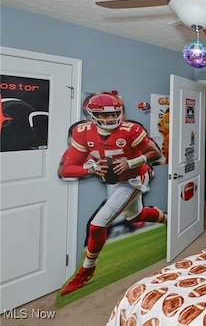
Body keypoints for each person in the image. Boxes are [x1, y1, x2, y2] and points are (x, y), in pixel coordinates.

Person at [58, 91, 166, 295]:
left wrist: (130, 163)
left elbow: (155, 152)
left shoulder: (130, 130)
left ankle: (86, 271)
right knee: (135, 215)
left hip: (133, 179)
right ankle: (167, 219)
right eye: (104, 115)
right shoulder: (82, 133)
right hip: (113, 181)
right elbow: (65, 169)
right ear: (91, 115)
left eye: (113, 113)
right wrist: (89, 169)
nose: (110, 118)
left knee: (97, 224)